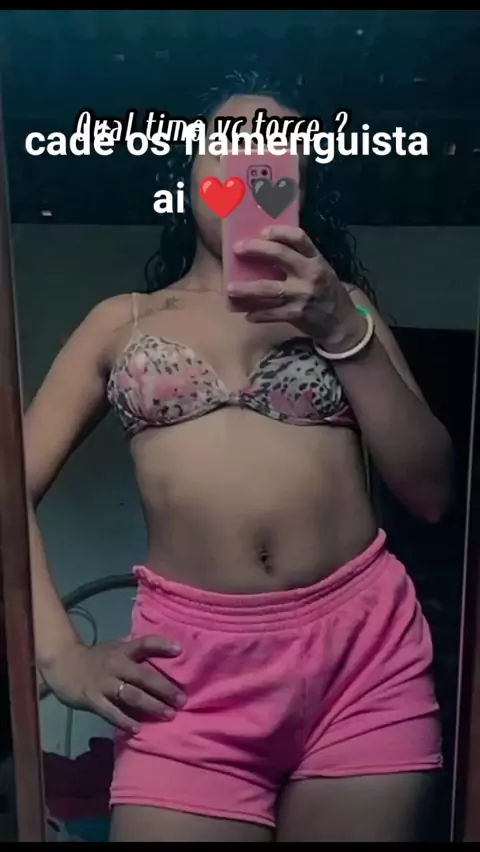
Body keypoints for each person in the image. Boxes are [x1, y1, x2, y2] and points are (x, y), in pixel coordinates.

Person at [25, 74, 454, 842]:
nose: (251, 159)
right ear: (192, 171)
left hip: (363, 658)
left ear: (298, 186)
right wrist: (61, 658)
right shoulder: (121, 322)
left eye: (276, 151)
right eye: (228, 144)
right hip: (189, 677)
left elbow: (431, 491)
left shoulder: (346, 309)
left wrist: (340, 329)